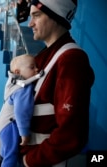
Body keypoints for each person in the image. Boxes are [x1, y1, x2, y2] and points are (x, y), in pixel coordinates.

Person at [20, 0, 95, 166]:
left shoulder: (71, 60)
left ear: (56, 17)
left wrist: (29, 161)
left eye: (36, 16)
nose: (30, 23)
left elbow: (71, 134)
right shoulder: (43, 57)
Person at [0, 54, 40, 167]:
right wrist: (24, 133)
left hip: (3, 123)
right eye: (32, 67)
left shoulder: (12, 81)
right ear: (17, 72)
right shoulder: (22, 89)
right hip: (10, 125)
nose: (37, 69)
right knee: (12, 154)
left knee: (8, 145)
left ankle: (0, 159)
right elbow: (21, 112)